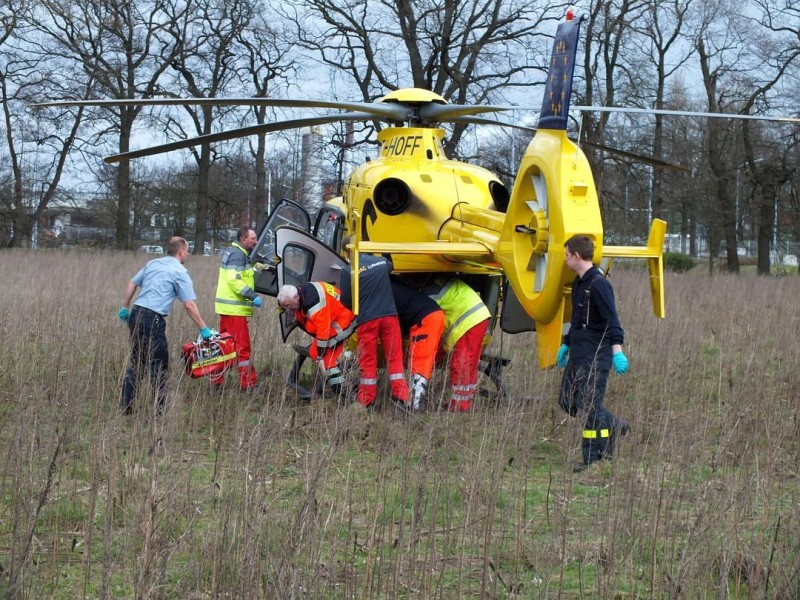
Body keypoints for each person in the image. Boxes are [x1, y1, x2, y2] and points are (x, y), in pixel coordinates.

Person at [557, 234, 630, 472]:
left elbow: (613, 321)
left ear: (577, 256)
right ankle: (615, 425)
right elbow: (577, 320)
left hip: (596, 355)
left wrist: (617, 351)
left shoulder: (599, 284)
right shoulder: (579, 283)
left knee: (588, 407)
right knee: (567, 401)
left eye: (567, 255)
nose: (565, 259)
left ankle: (594, 460)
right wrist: (566, 344)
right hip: (578, 351)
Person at [118, 236, 212, 414]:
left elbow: (132, 283)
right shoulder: (180, 272)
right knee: (158, 365)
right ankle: (158, 411)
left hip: (136, 314)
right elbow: (189, 304)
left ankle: (126, 407)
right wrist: (203, 328)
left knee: (137, 362)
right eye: (187, 251)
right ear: (181, 252)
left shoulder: (153, 263)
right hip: (153, 319)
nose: (188, 254)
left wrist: (124, 307)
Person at [339, 248, 409, 410]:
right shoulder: (381, 262)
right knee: (395, 359)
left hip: (367, 320)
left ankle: (366, 400)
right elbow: (390, 265)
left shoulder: (347, 271)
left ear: (346, 253)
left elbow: (346, 301)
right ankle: (402, 398)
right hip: (389, 316)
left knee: (368, 361)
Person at [424, 276, 491, 412]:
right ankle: (466, 400)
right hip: (479, 317)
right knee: (469, 363)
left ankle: (460, 405)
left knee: (461, 364)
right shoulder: (438, 282)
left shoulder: (427, 293)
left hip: (470, 321)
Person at [277, 282, 356, 394]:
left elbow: (323, 334)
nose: (287, 309)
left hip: (344, 323)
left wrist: (320, 357)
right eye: (284, 306)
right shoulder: (302, 292)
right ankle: (340, 378)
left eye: (288, 305)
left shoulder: (315, 305)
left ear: (296, 297)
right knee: (315, 352)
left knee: (326, 361)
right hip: (335, 318)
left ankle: (345, 393)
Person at [213, 226, 262, 390]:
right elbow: (234, 280)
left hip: (227, 310)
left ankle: (217, 383)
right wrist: (252, 295)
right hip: (235, 311)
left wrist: (255, 268)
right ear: (244, 240)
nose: (256, 241)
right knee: (242, 347)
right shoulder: (238, 255)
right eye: (253, 238)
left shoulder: (236, 253)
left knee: (224, 346)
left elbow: (238, 275)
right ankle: (248, 384)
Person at [390, 277, 445, 412]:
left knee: (420, 362)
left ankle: (415, 407)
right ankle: (414, 403)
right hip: (429, 316)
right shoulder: (392, 285)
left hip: (426, 320)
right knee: (421, 361)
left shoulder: (384, 290)